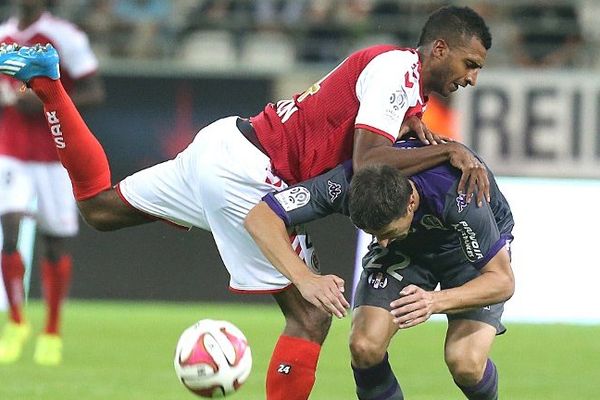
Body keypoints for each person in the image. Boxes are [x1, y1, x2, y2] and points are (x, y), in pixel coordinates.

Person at [0, 5, 490, 398]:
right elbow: (366, 161)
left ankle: (49, 86)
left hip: (226, 143)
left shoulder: (403, 86)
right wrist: (449, 149)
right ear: (438, 48)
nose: (470, 77)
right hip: (253, 174)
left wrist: (417, 130)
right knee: (310, 314)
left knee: (99, 209)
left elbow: (359, 135)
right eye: (469, 64)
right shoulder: (398, 69)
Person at [245, 138, 515, 399]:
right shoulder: (347, 183)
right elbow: (260, 217)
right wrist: (304, 278)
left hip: (466, 250)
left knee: (465, 362)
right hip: (406, 251)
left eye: (386, 231)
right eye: (372, 234)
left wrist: (433, 301)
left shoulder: (460, 193)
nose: (380, 240)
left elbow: (502, 281)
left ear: (411, 202)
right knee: (364, 346)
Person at [0, 0, 104, 366]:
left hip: (55, 155)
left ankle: (52, 331)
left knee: (54, 245)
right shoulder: (3, 37)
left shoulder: (64, 37)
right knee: (9, 228)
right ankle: (15, 322)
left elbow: (95, 91)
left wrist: (48, 101)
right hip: (11, 151)